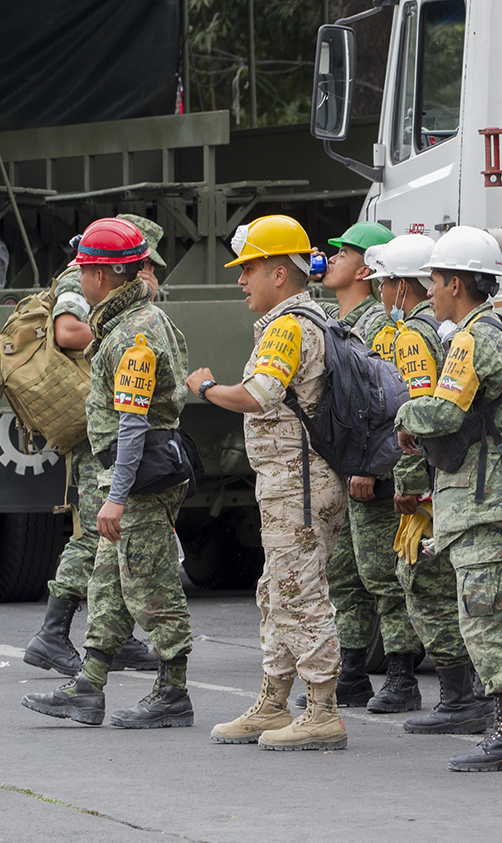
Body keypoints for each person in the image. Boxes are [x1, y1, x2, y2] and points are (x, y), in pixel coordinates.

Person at [22, 217, 196, 728]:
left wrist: (116, 497)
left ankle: (173, 693)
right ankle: (88, 687)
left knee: (150, 583)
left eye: (86, 267)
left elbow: (133, 423)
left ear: (103, 276)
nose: (81, 274)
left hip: (140, 477)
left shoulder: (132, 335)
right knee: (109, 584)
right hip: (130, 475)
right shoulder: (128, 324)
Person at [186, 215, 351, 751]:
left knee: (299, 593)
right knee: (276, 591)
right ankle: (274, 703)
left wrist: (207, 387)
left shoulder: (288, 326)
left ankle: (322, 711)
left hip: (297, 485)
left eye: (249, 268)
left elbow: (257, 395)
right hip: (294, 483)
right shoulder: (310, 319)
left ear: (280, 273)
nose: (241, 280)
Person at [394, 226, 502, 772]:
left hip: (481, 501)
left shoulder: (473, 338)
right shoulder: (490, 331)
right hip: (489, 499)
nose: (428, 291)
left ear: (456, 282)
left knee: (488, 618)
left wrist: (403, 415)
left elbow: (443, 412)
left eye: (433, 280)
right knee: (497, 615)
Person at [364, 233, 493, 733]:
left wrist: (409, 483)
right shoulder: (441, 332)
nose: (381, 295)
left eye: (385, 285)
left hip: (432, 484)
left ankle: (462, 696)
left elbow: (423, 415)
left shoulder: (414, 337)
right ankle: (464, 694)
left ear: (403, 286)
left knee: (424, 583)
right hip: (447, 479)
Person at [314, 219, 423, 712]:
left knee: (384, 577)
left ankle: (402, 677)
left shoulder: (379, 326)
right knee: (346, 575)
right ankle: (352, 672)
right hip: (345, 469)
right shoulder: (343, 322)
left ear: (368, 267)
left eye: (345, 251)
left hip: (372, 471)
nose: (333, 258)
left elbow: (384, 405)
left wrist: (371, 467)